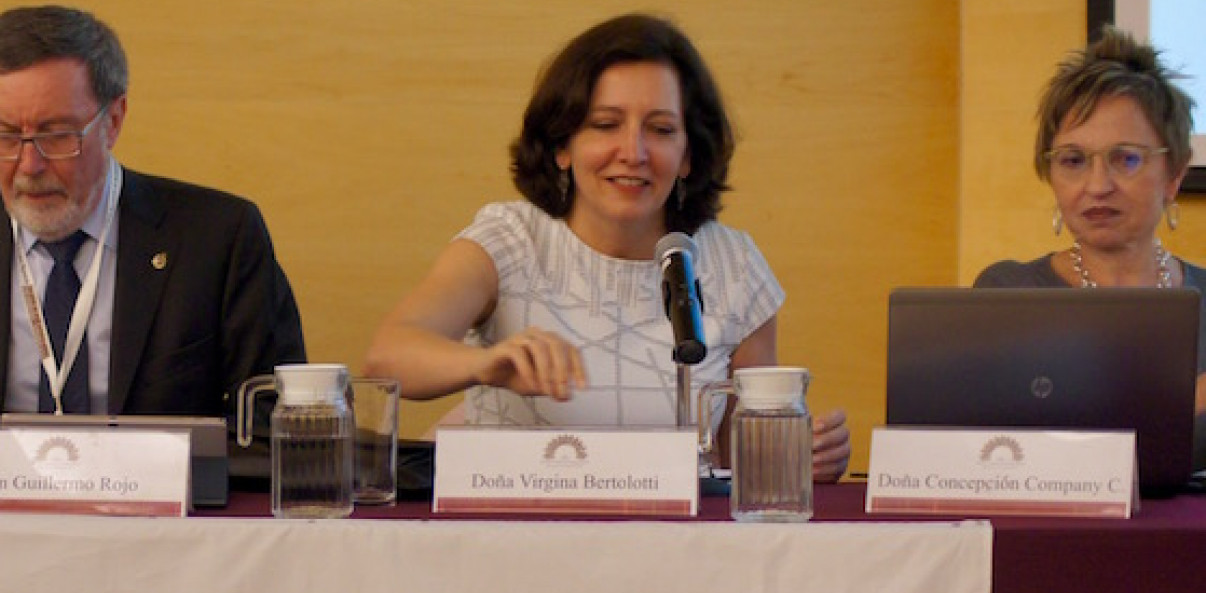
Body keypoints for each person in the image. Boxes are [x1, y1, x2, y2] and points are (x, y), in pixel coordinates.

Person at [363, 14, 850, 481]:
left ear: (687, 155)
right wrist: (484, 366)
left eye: (660, 130)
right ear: (562, 146)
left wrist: (795, 456)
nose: (633, 152)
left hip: (677, 550)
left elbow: (735, 462)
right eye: (605, 124)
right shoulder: (510, 240)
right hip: (517, 541)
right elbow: (388, 357)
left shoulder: (733, 267)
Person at [0, 5, 305, 454]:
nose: (28, 166)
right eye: (6, 136)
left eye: (56, 135)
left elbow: (274, 417)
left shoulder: (217, 239)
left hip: (154, 517)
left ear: (113, 120)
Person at [973, 27, 1206, 410]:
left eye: (1126, 158)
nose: (1097, 186)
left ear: (1175, 175)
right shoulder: (1008, 294)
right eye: (1073, 160)